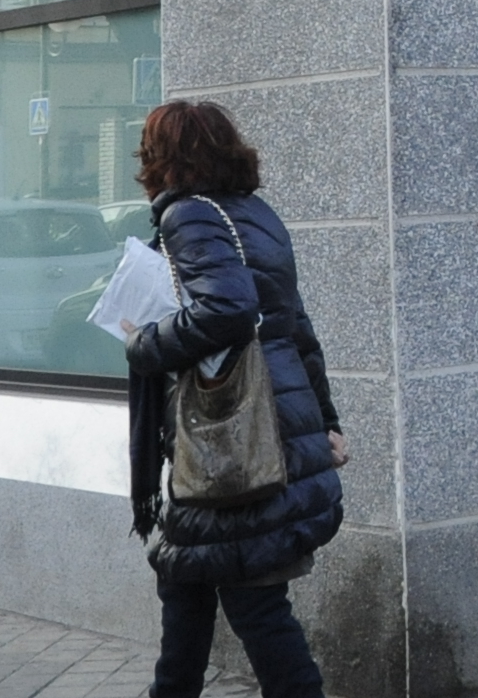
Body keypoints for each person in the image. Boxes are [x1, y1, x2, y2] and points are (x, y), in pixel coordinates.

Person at [125, 100, 347, 698]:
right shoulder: (256, 215)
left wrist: (144, 343)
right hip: (273, 426)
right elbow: (297, 330)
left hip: (233, 440)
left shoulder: (188, 215)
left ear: (161, 157)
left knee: (256, 604)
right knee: (185, 584)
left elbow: (227, 308)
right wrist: (325, 423)